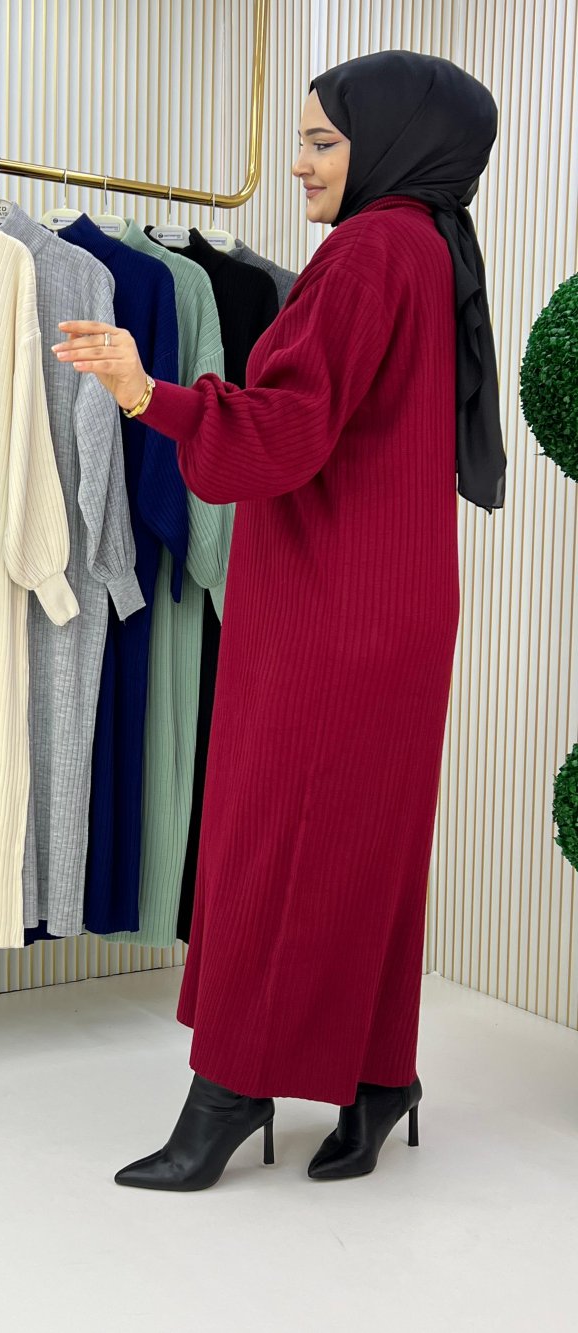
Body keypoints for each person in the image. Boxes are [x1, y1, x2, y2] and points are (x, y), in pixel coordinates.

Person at [53, 50, 505, 1191]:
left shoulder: (367, 251)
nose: (297, 165)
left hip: (330, 610)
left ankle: (230, 1093)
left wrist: (145, 393)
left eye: (320, 142)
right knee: (366, 852)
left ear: (389, 144)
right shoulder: (430, 245)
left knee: (272, 845)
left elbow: (285, 430)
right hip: (395, 604)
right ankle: (378, 1076)